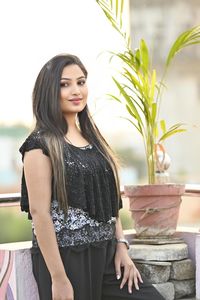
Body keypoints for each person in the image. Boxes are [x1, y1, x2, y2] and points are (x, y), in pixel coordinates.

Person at [19, 53, 164, 300]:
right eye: (64, 84)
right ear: (49, 91)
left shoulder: (94, 140)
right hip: (66, 259)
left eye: (81, 82)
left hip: (106, 256)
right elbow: (40, 214)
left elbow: (109, 201)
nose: (76, 90)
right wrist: (58, 278)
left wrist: (121, 245)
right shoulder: (39, 145)